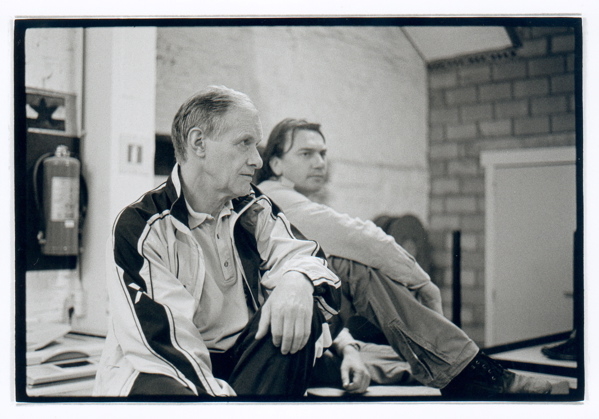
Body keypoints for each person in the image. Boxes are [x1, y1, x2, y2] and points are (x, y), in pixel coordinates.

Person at [256, 118, 570, 397]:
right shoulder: (274, 198)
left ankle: (465, 369)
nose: (319, 162)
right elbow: (360, 237)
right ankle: (469, 372)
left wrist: (349, 349)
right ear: (276, 164)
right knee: (353, 265)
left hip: (302, 335)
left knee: (398, 357)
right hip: (274, 342)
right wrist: (422, 282)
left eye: (323, 154)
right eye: (306, 154)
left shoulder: (285, 200)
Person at [93, 87, 344, 398]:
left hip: (239, 363)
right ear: (199, 143)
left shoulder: (253, 207)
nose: (257, 160)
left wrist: (296, 281)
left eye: (257, 146)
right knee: (169, 393)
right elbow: (167, 345)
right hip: (167, 367)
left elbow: (311, 261)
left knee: (300, 312)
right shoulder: (142, 226)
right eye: (244, 143)